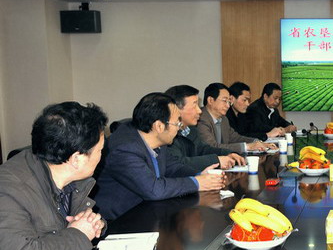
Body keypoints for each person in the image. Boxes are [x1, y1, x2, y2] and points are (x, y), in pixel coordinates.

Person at [0, 102, 107, 250]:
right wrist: (80, 234)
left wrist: (93, 224)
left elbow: (72, 225)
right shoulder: (9, 189)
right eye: (100, 150)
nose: (102, 155)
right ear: (76, 159)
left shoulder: (64, 174)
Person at [93, 92, 226, 220]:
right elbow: (153, 189)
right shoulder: (124, 149)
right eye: (177, 123)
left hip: (148, 211)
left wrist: (200, 175)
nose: (179, 128)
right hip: (120, 221)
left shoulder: (156, 139)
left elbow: (173, 167)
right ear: (159, 126)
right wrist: (197, 183)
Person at [164, 85, 250, 171]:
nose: (199, 111)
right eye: (194, 106)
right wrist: (217, 160)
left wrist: (228, 153)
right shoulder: (167, 134)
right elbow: (178, 163)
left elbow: (203, 149)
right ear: (176, 109)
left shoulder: (191, 130)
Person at [197, 83, 274, 153]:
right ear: (210, 100)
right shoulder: (200, 119)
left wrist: (256, 142)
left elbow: (235, 138)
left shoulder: (223, 119)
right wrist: (247, 147)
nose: (228, 106)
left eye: (229, 102)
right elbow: (212, 147)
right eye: (224, 101)